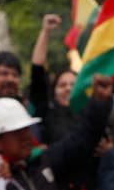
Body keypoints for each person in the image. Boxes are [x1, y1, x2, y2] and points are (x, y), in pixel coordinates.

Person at [27, 13, 78, 144]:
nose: (68, 88)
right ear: (54, 91)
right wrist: (45, 31)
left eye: (73, 84)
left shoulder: (88, 113)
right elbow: (37, 70)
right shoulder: (47, 113)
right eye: (62, 85)